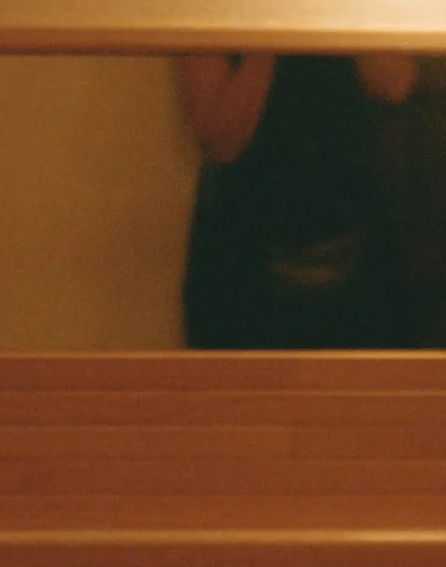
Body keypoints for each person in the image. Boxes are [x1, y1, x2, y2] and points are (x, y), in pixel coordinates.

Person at [178, 53, 417, 349]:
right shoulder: (215, 11)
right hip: (245, 262)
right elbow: (221, 140)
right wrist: (269, 42)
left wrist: (340, 10)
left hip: (353, 248)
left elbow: (395, 84)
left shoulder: (349, 8)